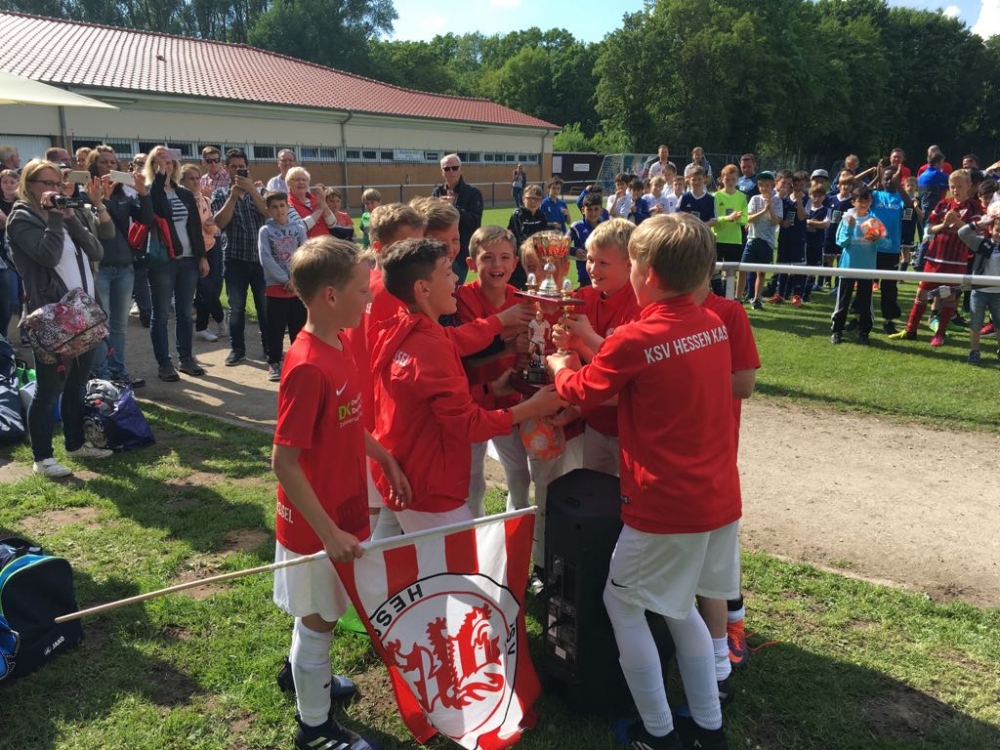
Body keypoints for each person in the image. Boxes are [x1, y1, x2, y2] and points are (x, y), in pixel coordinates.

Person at [548, 213, 739, 750]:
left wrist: (561, 362)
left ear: (647, 273)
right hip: (714, 494)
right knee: (677, 606)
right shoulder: (712, 323)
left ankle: (658, 732)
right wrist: (592, 345)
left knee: (623, 604)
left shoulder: (636, 336)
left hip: (663, 501)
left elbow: (581, 391)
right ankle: (708, 727)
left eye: (630, 263)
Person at [270, 234, 409, 750]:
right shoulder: (308, 365)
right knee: (319, 620)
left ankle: (306, 675)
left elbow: (346, 424)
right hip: (316, 526)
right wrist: (327, 533)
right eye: (361, 289)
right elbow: (284, 461)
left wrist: (383, 456)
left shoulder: (341, 343)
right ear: (330, 296)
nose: (369, 298)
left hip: (341, 512)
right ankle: (314, 727)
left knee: (321, 612)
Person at [369, 237, 564, 534]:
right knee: (456, 561)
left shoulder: (404, 326)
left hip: (405, 469)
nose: (456, 280)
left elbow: (456, 339)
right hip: (431, 488)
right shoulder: (430, 349)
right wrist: (532, 408)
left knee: (386, 555)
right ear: (423, 289)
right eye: (448, 272)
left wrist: (498, 327)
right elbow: (469, 425)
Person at [6, 159, 114, 477]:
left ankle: (75, 443)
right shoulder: (21, 218)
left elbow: (97, 251)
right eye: (48, 183)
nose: (55, 189)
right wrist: (54, 217)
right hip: (53, 319)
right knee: (49, 389)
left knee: (78, 384)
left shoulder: (64, 214)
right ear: (29, 185)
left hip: (84, 314)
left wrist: (70, 219)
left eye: (58, 183)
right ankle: (42, 458)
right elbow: (47, 256)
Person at [551, 219, 638, 476]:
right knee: (594, 488)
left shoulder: (640, 305)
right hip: (596, 422)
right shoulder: (585, 297)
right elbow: (597, 364)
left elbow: (625, 372)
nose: (592, 268)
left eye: (603, 263)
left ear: (629, 264)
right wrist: (570, 343)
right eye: (589, 260)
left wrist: (586, 337)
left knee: (627, 493)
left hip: (630, 428)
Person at [456, 225, 532, 518]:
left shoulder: (523, 299)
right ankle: (473, 533)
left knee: (519, 475)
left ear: (515, 263)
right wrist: (507, 346)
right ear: (471, 263)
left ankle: (516, 531)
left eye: (504, 257)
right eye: (487, 257)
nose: (497, 265)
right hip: (472, 404)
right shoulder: (462, 299)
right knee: (472, 483)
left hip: (508, 403)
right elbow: (466, 356)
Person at [891, 170, 982, 346]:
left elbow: (975, 232)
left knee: (948, 297)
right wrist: (945, 224)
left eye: (960, 186)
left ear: (969, 186)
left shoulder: (974, 207)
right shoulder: (943, 204)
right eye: (952, 187)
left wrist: (957, 223)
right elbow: (930, 228)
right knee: (922, 293)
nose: (955, 190)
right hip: (935, 258)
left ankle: (940, 334)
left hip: (956, 260)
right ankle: (910, 330)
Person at [86, 144, 153, 386]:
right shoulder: (86, 195)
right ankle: (102, 375)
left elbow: (146, 219)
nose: (109, 166)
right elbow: (101, 231)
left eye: (112, 162)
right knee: (100, 324)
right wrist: (101, 199)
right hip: (100, 268)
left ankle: (118, 370)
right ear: (94, 166)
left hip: (125, 267)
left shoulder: (124, 195)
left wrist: (143, 193)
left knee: (119, 326)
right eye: (103, 162)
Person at [146, 146, 210, 381]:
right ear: (153, 165)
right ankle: (164, 363)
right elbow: (156, 202)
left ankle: (186, 358)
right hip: (163, 261)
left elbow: (195, 227)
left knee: (184, 312)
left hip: (188, 260)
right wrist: (159, 176)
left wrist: (202, 256)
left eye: (170, 162)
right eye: (161, 161)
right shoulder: (149, 191)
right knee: (162, 313)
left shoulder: (183, 193)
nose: (167, 165)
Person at [212, 148, 269, 366]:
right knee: (236, 308)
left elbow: (269, 214)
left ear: (248, 168)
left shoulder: (261, 192)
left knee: (265, 306)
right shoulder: (220, 194)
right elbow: (220, 222)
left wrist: (252, 190)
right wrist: (233, 196)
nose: (238, 170)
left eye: (241, 166)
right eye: (234, 166)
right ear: (226, 169)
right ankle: (237, 350)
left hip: (261, 260)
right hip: (234, 259)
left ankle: (269, 348)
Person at [259, 191, 308, 382]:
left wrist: (295, 280)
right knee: (276, 329)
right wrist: (283, 279)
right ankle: (274, 362)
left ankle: (298, 361)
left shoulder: (298, 229)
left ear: (288, 207)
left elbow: (304, 254)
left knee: (298, 328)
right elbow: (265, 258)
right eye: (274, 207)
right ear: (268, 210)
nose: (279, 210)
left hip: (297, 288)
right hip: (275, 288)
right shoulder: (265, 231)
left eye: (282, 206)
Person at [831, 186, 888, 345]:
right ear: (853, 202)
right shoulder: (847, 218)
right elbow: (841, 242)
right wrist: (850, 228)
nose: (863, 204)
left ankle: (864, 332)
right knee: (842, 302)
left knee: (865, 303)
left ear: (871, 202)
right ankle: (837, 331)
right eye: (860, 201)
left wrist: (877, 239)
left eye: (867, 201)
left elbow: (887, 243)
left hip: (867, 269)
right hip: (847, 268)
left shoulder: (874, 221)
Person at [180, 164, 225, 344]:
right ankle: (220, 319)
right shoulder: (182, 200)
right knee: (206, 289)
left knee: (212, 288)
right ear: (182, 181)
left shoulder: (205, 199)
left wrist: (211, 226)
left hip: (212, 245)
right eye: (191, 178)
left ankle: (202, 326)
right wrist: (208, 225)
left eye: (198, 178)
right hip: (193, 250)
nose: (196, 181)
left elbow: (213, 225)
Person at [432, 154, 484, 284]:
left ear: (461, 170)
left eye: (454, 168)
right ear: (442, 172)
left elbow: (474, 222)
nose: (451, 171)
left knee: (454, 288)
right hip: (437, 252)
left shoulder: (473, 193)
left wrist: (453, 208)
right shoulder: (437, 192)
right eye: (447, 169)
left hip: (460, 253)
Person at [870, 167, 908, 334]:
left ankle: (889, 321)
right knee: (865, 284)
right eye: (885, 178)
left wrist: (898, 185)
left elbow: (909, 204)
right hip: (871, 248)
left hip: (891, 250)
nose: (888, 181)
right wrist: (876, 178)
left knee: (889, 287)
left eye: (892, 178)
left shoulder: (900, 196)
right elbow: (859, 192)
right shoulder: (875, 195)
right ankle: (860, 317)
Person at [958, 217, 1000, 364]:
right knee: (976, 324)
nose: (999, 234)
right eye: (997, 230)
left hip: (998, 293)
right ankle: (974, 351)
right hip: (979, 292)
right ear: (991, 230)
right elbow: (962, 233)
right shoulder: (982, 243)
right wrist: (979, 223)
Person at [740, 171, 781, 309]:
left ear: (772, 186)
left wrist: (770, 209)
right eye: (761, 185)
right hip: (752, 239)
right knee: (743, 269)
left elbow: (775, 222)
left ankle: (757, 299)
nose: (764, 188)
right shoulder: (755, 199)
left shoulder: (777, 200)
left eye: (767, 185)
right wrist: (763, 210)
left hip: (767, 241)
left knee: (761, 272)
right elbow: (749, 218)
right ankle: (738, 298)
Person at [712, 165, 748, 294]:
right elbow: (713, 219)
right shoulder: (715, 196)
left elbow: (745, 219)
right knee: (714, 269)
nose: (730, 182)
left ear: (737, 179)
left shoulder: (742, 197)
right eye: (727, 179)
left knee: (730, 271)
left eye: (733, 179)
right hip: (717, 238)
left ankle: (727, 296)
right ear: (722, 179)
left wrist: (738, 219)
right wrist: (727, 218)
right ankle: (718, 295)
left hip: (734, 240)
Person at [773, 171, 808, 305]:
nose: (798, 187)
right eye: (796, 184)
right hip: (784, 237)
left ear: (806, 185)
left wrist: (799, 201)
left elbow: (802, 217)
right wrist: (783, 223)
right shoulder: (785, 199)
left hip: (799, 238)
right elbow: (780, 217)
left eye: (802, 185)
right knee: (782, 266)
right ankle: (780, 294)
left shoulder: (807, 199)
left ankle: (797, 295)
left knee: (799, 267)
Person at [507, 184, 548, 289]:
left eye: (536, 199)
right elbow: (522, 237)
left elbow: (544, 236)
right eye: (530, 198)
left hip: (535, 260)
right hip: (518, 261)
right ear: (523, 199)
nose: (533, 202)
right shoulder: (518, 214)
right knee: (515, 291)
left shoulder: (541, 216)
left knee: (533, 289)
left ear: (541, 201)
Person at [284, 167, 336, 239]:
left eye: (304, 180)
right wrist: (319, 210)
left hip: (326, 242)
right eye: (297, 180)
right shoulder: (287, 205)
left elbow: (332, 224)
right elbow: (300, 228)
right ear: (289, 184)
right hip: (308, 245)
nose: (301, 182)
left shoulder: (315, 199)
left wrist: (324, 205)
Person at [570, 193, 607, 288]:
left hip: (604, 275)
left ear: (601, 210)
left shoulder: (606, 227)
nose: (593, 213)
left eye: (596, 209)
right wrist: (575, 251)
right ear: (583, 210)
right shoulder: (577, 227)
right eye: (589, 209)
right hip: (585, 278)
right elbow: (562, 246)